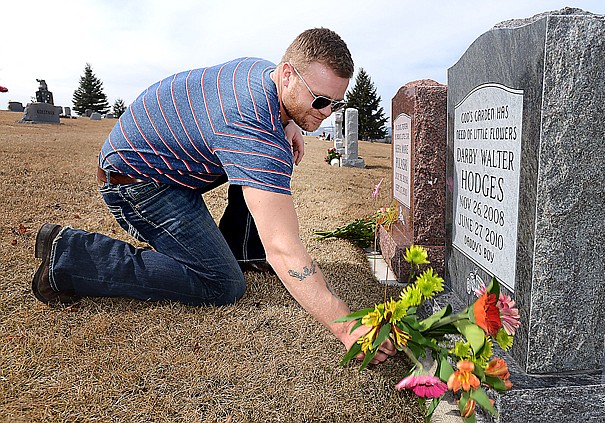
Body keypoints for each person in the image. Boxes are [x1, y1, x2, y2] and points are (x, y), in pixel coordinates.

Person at [31, 28, 396, 364]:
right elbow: (285, 249)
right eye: (319, 101)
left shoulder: (264, 74)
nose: (327, 113)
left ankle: (241, 250)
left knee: (269, 161)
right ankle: (69, 255)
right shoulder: (250, 130)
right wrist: (347, 327)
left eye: (335, 102)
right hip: (137, 183)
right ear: (287, 75)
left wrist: (289, 123)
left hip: (159, 162)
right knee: (221, 284)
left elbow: (270, 120)